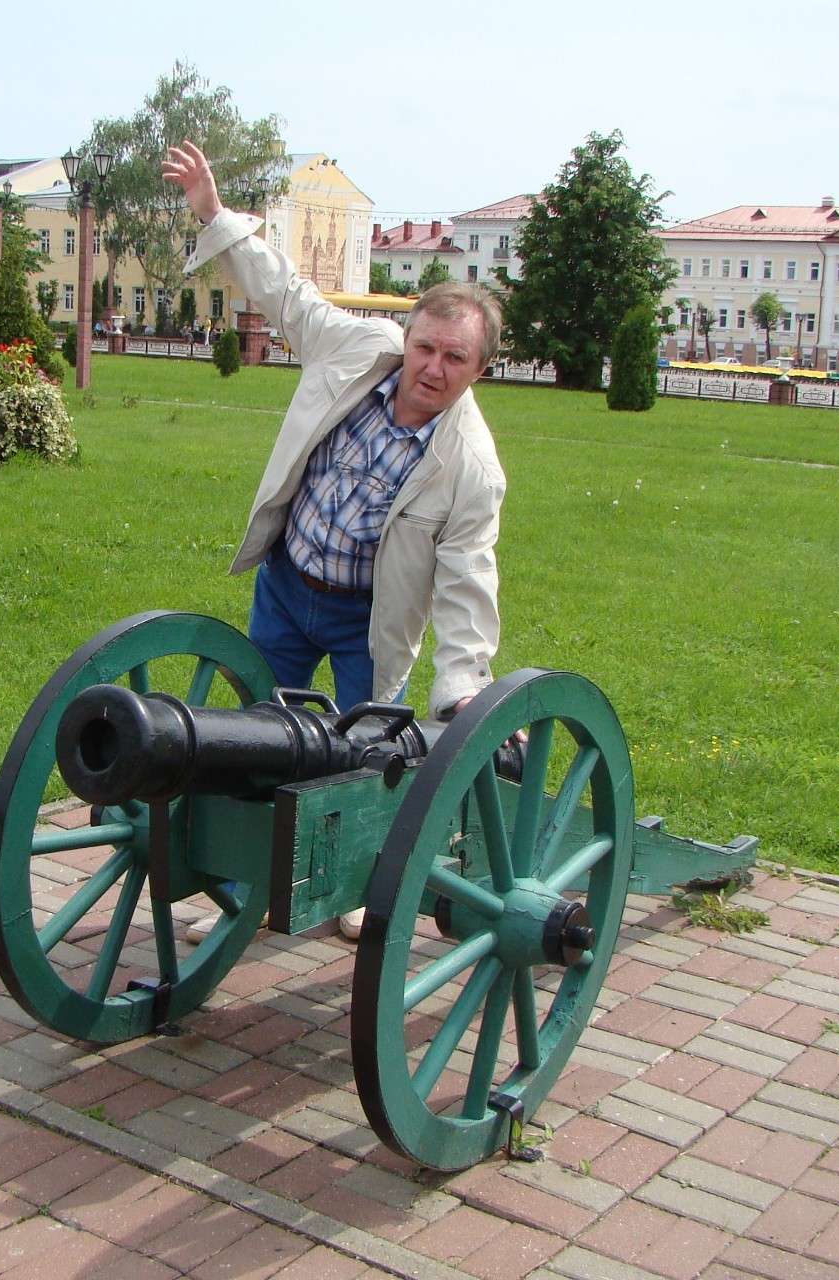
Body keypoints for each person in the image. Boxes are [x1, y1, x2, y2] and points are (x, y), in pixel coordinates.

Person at [164, 142, 507, 941]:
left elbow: (467, 578)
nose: (431, 367)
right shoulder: (358, 351)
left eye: (454, 358)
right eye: (424, 346)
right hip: (288, 587)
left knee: (364, 759)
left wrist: (461, 685)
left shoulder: (471, 469)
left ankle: (353, 884)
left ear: (476, 371)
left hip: (365, 618)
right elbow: (284, 294)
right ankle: (238, 892)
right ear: (407, 335)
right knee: (254, 740)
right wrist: (216, 214)